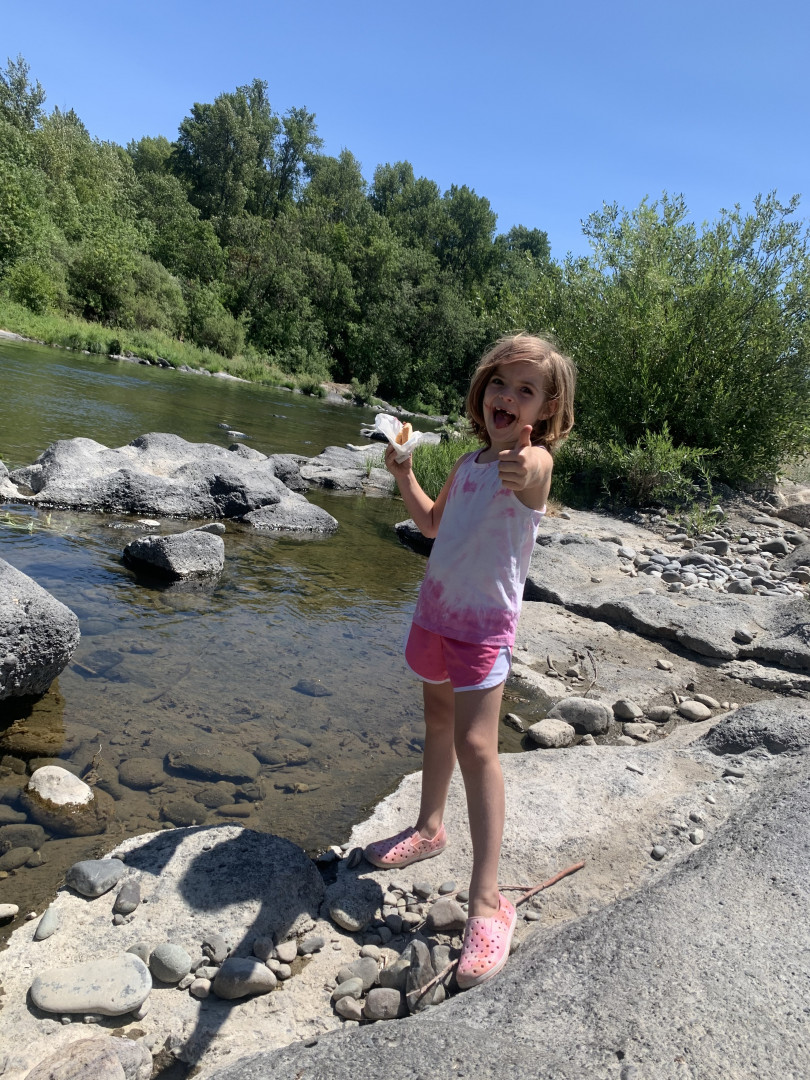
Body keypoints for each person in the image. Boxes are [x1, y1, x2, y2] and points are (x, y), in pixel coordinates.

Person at [365, 333, 576, 989]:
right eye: (499, 384)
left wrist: (527, 464)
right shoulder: (466, 463)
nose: (507, 397)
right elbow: (432, 525)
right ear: (482, 391)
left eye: (525, 390)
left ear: (545, 408)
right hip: (435, 613)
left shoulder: (532, 462)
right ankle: (429, 828)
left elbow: (533, 475)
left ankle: (488, 901)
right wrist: (404, 474)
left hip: (483, 628)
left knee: (478, 746)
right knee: (437, 721)